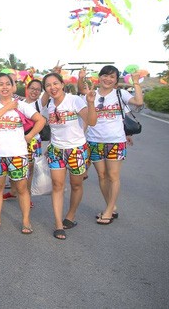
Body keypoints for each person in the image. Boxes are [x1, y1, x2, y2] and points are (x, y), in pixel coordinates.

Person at [79, 66, 144, 224]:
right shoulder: (90, 95)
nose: (108, 79)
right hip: (95, 140)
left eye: (112, 77)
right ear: (99, 77)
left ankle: (108, 211)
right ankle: (111, 206)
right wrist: (81, 138)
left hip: (115, 140)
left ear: (116, 81)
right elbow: (87, 119)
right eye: (105, 76)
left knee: (113, 176)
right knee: (102, 176)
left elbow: (138, 102)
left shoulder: (120, 93)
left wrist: (135, 82)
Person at [0, 73, 46, 234]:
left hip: (18, 154)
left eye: (7, 84)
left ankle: (26, 220)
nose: (4, 87)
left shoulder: (23, 105)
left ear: (13, 87)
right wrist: (7, 107)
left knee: (21, 188)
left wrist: (29, 136)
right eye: (0, 84)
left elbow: (41, 120)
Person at [43, 72, 96, 240]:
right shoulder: (49, 105)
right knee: (57, 186)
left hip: (76, 150)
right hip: (56, 150)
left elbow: (92, 121)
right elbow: (53, 128)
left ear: (62, 84)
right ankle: (59, 224)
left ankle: (70, 216)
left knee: (76, 185)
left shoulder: (75, 100)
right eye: (48, 85)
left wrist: (91, 103)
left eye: (55, 83)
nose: (53, 87)